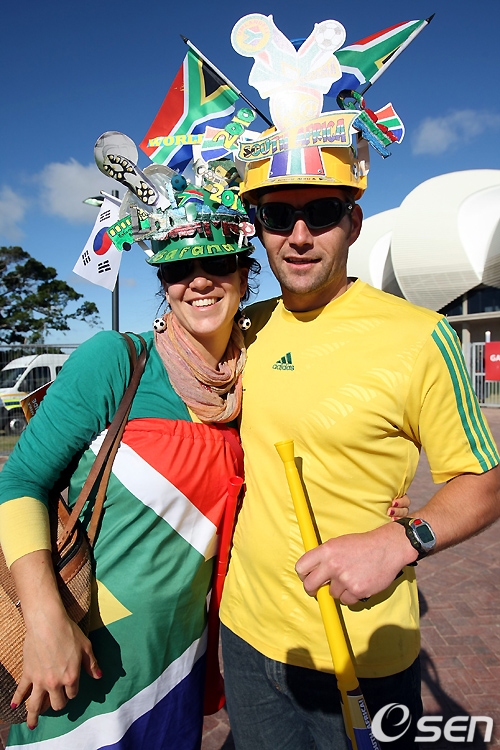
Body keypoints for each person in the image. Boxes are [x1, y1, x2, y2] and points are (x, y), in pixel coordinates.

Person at [219, 129, 500, 747]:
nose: (299, 236)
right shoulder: (241, 330)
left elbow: (484, 481)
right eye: (277, 216)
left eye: (322, 212)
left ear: (354, 223)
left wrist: (402, 538)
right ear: (258, 228)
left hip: (359, 648)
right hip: (244, 635)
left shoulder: (420, 336)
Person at [0, 158, 260, 749]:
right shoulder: (115, 360)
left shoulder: (258, 380)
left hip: (178, 663)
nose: (199, 280)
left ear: (245, 273)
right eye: (179, 266)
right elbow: (19, 484)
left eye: (217, 262)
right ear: (163, 281)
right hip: (77, 658)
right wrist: (45, 620)